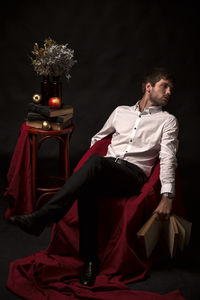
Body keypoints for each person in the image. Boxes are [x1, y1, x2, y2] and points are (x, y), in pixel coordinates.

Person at [10, 67, 179, 286]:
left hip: (132, 176)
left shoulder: (168, 121)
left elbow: (168, 157)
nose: (168, 92)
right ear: (149, 87)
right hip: (106, 168)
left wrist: (167, 194)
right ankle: (90, 261)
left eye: (171, 89)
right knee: (88, 189)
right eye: (164, 86)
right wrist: (97, 160)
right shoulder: (121, 112)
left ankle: (43, 216)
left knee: (96, 164)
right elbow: (99, 138)